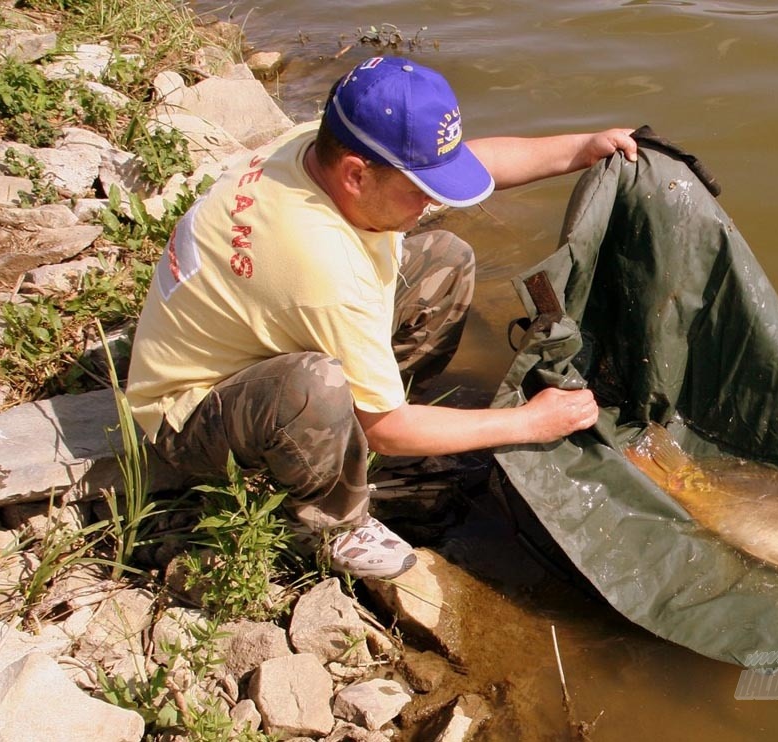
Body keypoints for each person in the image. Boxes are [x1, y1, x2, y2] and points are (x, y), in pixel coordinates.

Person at [125, 55, 638, 579]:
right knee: (317, 388)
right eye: (421, 190)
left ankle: (364, 418)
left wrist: (583, 147)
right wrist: (530, 421)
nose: (432, 201)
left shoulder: (319, 146)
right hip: (183, 416)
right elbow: (389, 429)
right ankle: (331, 523)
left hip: (250, 332)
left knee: (445, 259)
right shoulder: (322, 268)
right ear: (355, 176)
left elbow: (478, 164)